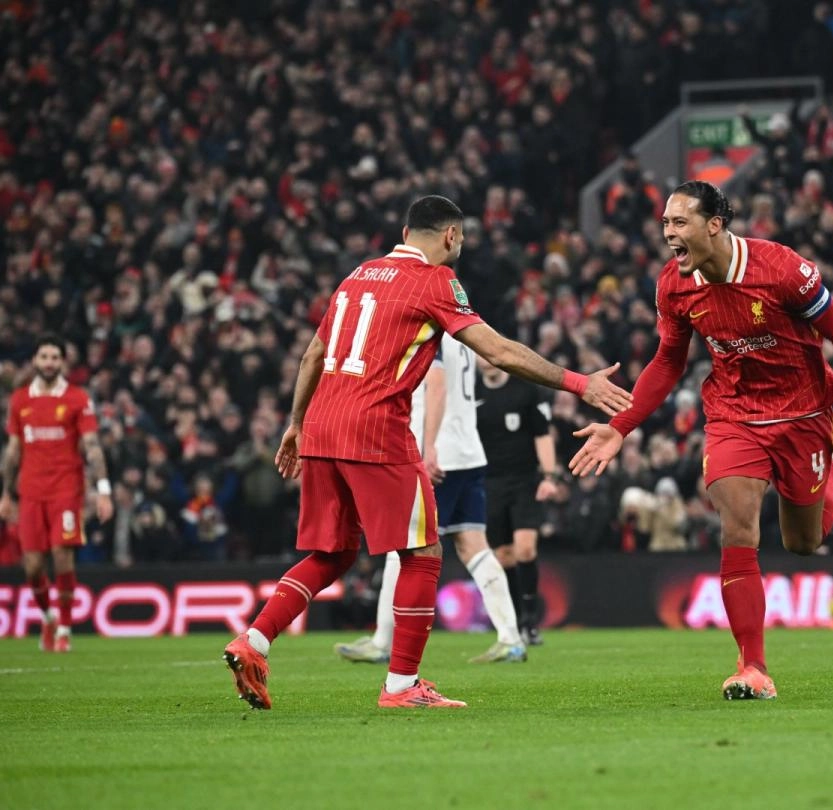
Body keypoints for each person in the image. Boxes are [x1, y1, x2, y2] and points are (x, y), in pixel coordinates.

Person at [221, 196, 631, 710]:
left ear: (404, 228)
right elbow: (498, 351)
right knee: (423, 554)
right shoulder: (436, 281)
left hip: (322, 425)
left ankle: (253, 641)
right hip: (376, 429)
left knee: (332, 553)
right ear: (451, 237)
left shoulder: (358, 275)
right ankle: (401, 686)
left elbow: (313, 354)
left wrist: (296, 422)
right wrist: (578, 383)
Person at [568, 181, 833, 700]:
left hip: (803, 413)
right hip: (733, 414)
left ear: (714, 225)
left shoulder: (784, 270)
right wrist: (620, 425)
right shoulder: (674, 287)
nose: (669, 234)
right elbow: (669, 362)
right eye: (665, 225)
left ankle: (831, 473)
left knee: (803, 543)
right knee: (737, 527)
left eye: (680, 223)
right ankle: (752, 666)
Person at [333, 333, 528, 668]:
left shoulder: (431, 327)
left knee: (404, 542)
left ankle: (382, 641)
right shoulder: (464, 329)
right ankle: (511, 638)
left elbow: (435, 384)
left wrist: (430, 446)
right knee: (473, 546)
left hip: (440, 455)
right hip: (469, 451)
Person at [1, 336, 115, 652]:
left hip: (66, 490)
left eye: (54, 357)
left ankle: (64, 629)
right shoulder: (21, 400)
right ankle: (49, 617)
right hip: (30, 492)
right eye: (44, 356)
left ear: (62, 362)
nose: (49, 362)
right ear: (36, 360)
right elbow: (12, 452)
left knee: (62, 556)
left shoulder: (77, 398)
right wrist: (5, 494)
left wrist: (103, 491)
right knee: (33, 566)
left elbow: (92, 447)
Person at [473, 352, 561, 646]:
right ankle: (516, 617)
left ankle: (530, 622)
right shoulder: (469, 391)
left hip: (525, 480)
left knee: (525, 549)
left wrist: (549, 476)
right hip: (488, 483)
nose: (484, 358)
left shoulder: (525, 389)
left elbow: (542, 434)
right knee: (503, 557)